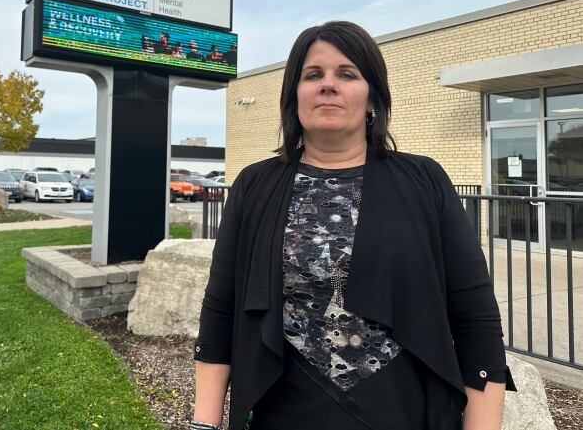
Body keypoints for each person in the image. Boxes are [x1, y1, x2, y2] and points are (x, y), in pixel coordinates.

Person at [191, 21, 516, 430]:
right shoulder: (254, 186)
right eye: (313, 75)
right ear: (294, 96)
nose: (329, 85)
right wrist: (205, 424)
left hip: (404, 409)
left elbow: (475, 317)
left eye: (347, 74)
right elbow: (220, 311)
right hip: (283, 409)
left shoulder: (425, 181)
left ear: (373, 97)